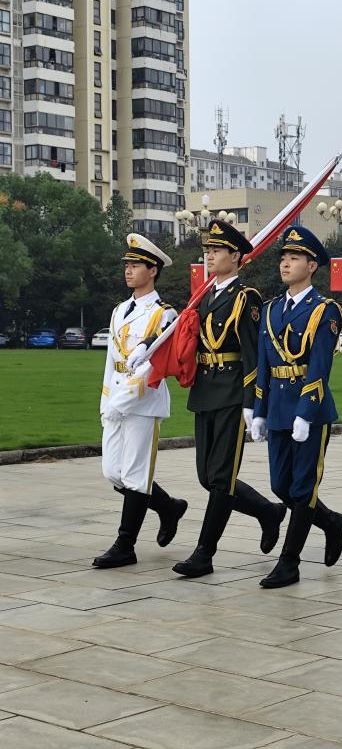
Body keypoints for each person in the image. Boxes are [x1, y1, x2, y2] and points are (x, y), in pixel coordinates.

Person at [170, 220, 287, 579]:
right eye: (207, 250)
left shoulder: (245, 298)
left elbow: (253, 355)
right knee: (207, 477)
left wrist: (253, 403)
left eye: (216, 250)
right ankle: (268, 512)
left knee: (221, 478)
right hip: (205, 390)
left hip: (233, 392)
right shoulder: (205, 296)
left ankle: (204, 554)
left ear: (235, 256)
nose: (209, 256)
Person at [250, 226, 342, 588]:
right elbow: (263, 365)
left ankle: (289, 562)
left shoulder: (324, 310)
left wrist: (306, 412)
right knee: (281, 486)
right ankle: (333, 522)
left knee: (303, 489)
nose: (285, 263)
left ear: (311, 266)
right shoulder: (271, 309)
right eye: (283, 257)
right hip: (278, 407)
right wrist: (259, 410)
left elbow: (320, 365)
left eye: (294, 258)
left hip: (310, 410)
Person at [93, 234, 187, 568]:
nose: (128, 270)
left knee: (135, 474)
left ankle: (125, 545)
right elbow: (112, 360)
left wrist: (124, 400)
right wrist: (107, 402)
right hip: (116, 399)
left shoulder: (164, 315)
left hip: (143, 402)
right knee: (113, 472)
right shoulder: (120, 310)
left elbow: (153, 367)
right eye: (127, 265)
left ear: (153, 270)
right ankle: (168, 506)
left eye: (136, 265)